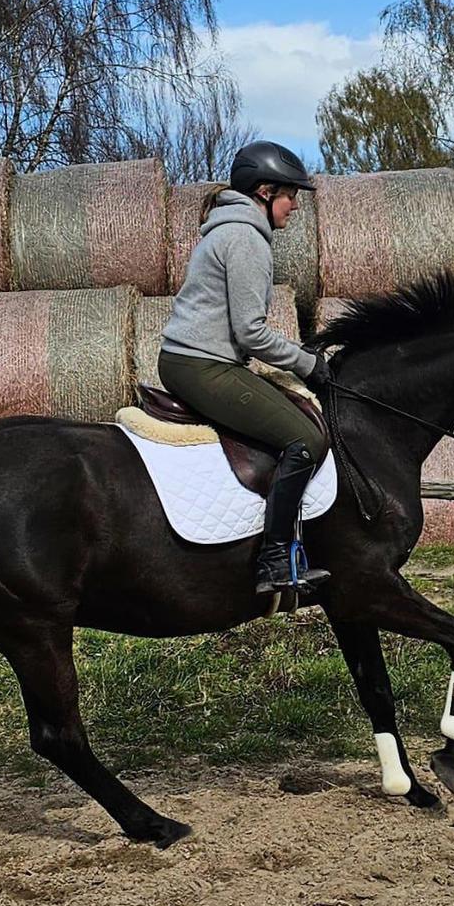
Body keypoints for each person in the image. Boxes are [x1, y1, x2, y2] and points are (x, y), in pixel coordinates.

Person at [158, 140, 333, 597]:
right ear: (264, 190)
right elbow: (252, 334)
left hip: (193, 359)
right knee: (307, 438)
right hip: (202, 365)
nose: (295, 205)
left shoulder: (229, 230)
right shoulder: (246, 239)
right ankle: (274, 560)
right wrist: (308, 363)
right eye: (290, 194)